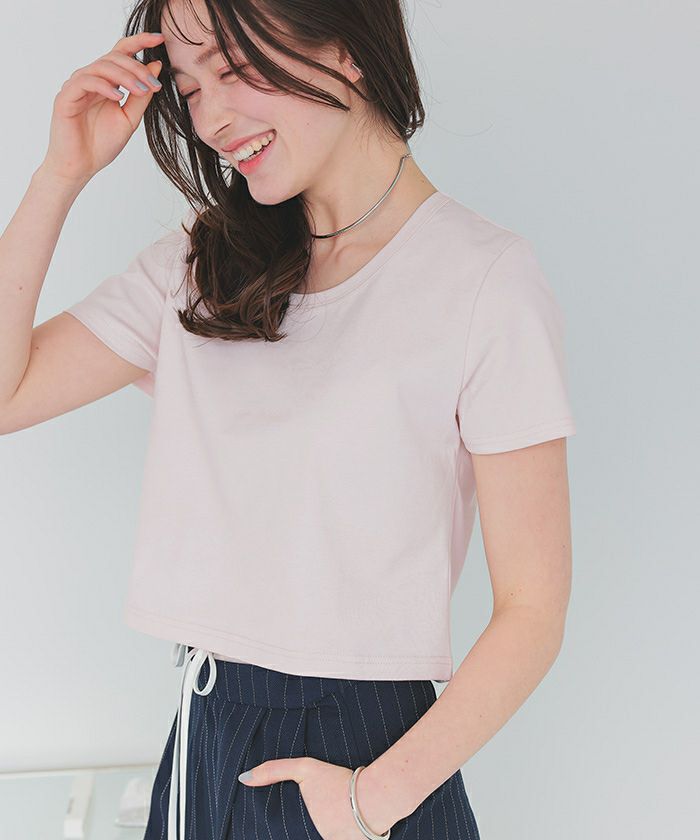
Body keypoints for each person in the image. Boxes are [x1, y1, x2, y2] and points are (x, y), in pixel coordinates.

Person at [0, 0, 577, 838]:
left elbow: (533, 607)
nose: (211, 119)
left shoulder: (484, 281)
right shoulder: (203, 266)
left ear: (345, 47)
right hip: (205, 733)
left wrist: (369, 801)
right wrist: (60, 175)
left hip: (362, 756)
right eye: (190, 89)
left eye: (232, 68)